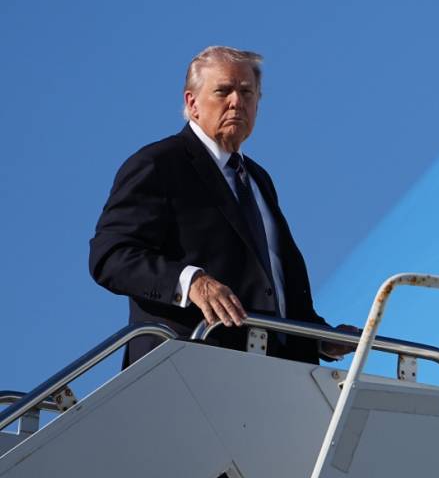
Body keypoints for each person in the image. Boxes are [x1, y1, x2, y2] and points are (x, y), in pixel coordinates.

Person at [89, 45, 352, 367]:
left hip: (276, 373)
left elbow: (270, 278)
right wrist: (191, 282)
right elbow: (111, 256)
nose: (237, 102)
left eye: (247, 92)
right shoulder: (159, 163)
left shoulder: (258, 179)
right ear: (192, 102)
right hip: (187, 368)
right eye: (223, 91)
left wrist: (318, 336)